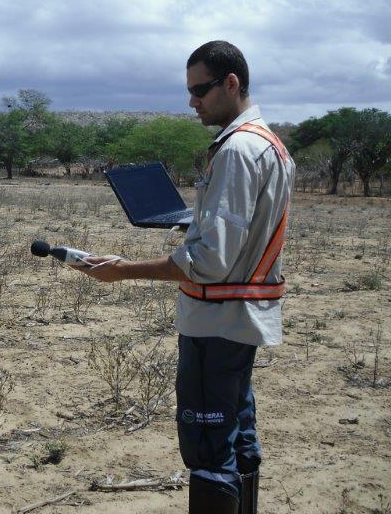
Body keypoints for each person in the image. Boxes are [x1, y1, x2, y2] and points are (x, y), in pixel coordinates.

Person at [76, 40, 295, 514]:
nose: (192, 102)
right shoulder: (270, 145)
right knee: (237, 433)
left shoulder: (236, 151)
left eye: (200, 90)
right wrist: (198, 224)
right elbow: (242, 234)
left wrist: (123, 271)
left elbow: (211, 262)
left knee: (208, 446)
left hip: (213, 322)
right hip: (242, 320)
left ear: (231, 83)